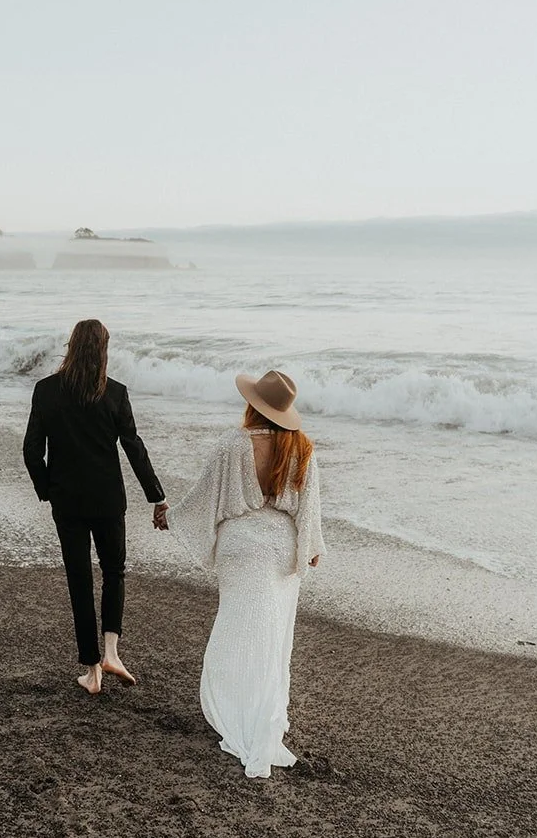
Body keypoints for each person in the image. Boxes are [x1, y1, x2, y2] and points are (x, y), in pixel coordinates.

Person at [161, 369, 324, 778]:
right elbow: (310, 508)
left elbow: (205, 499)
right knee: (271, 636)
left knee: (234, 631)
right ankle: (262, 713)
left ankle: (236, 712)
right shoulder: (302, 446)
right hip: (282, 547)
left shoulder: (232, 444)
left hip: (242, 548)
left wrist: (172, 518)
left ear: (253, 405)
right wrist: (311, 549)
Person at [22, 319, 169, 694]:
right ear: (103, 350)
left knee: (79, 578)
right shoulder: (115, 393)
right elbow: (134, 448)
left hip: (67, 500)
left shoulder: (46, 391)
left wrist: (47, 489)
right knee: (114, 571)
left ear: (71, 346)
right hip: (108, 500)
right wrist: (157, 496)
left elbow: (31, 450)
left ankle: (91, 670)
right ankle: (112, 652)